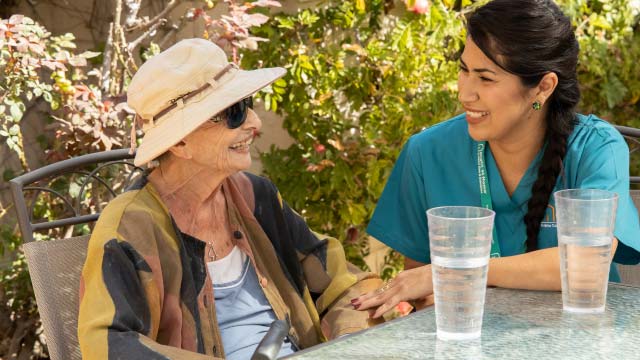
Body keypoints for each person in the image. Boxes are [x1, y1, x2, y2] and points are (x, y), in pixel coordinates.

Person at [77, 38, 382, 359]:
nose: (254, 123)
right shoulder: (129, 227)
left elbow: (344, 282)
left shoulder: (257, 197)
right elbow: (109, 346)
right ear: (180, 143)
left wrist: (348, 342)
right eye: (233, 112)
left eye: (248, 103)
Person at [351, 0, 640, 319]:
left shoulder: (596, 148)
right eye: (464, 70)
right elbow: (422, 287)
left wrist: (455, 271)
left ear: (543, 87)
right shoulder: (426, 152)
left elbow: (586, 265)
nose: (465, 93)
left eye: (486, 78)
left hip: (582, 341)